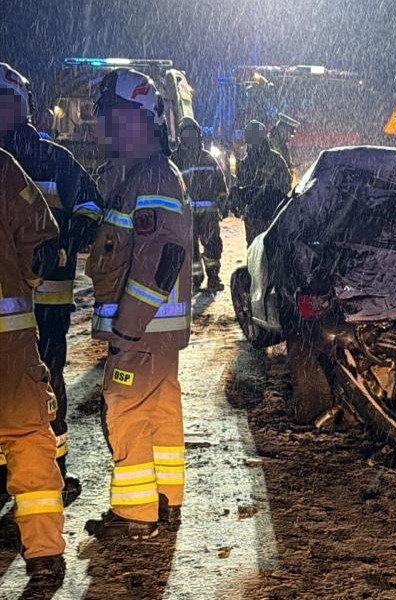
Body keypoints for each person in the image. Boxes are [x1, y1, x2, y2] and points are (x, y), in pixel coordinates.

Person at [83, 68, 191, 540]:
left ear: (138, 119)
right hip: (157, 335)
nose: (105, 126)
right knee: (160, 409)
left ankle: (135, 514)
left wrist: (126, 329)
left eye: (111, 116)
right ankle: (166, 500)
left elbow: (159, 260)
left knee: (125, 409)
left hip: (141, 332)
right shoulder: (149, 173)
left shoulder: (149, 177)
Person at [0, 64, 103, 501]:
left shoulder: (57, 159)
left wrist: (68, 242)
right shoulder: (49, 159)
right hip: (21, 304)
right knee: (25, 385)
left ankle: (52, 467)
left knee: (44, 381)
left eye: (10, 103)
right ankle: (29, 469)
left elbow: (92, 206)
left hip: (43, 302)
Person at [0, 146, 66, 582]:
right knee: (26, 434)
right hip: (8, 333)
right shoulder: (3, 166)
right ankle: (43, 552)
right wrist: (19, 275)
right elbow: (42, 233)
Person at [172, 117, 227, 292]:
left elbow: (221, 184)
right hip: (186, 213)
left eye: (192, 133)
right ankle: (195, 280)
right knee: (190, 248)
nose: (190, 137)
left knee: (212, 245)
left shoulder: (206, 158)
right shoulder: (176, 159)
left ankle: (212, 278)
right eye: (187, 134)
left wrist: (224, 204)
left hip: (205, 213)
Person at [230, 120, 291, 245]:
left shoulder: (251, 162)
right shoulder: (274, 158)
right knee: (267, 249)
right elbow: (286, 183)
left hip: (263, 215)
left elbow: (286, 183)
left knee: (258, 250)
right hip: (263, 214)